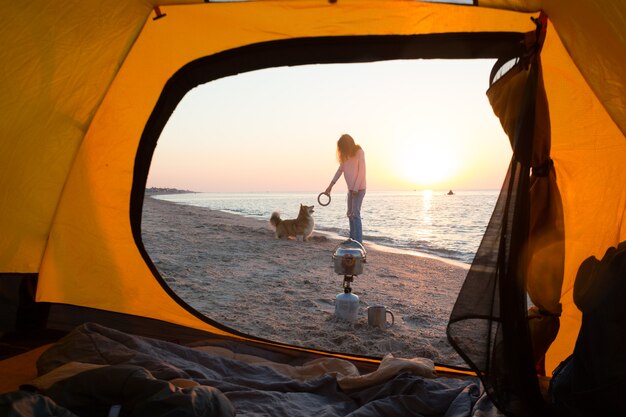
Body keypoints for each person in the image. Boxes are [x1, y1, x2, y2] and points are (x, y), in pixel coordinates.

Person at [324, 134, 366, 243]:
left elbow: (362, 172)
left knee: (355, 214)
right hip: (351, 190)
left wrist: (356, 188)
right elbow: (339, 171)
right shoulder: (345, 156)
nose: (341, 150)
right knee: (349, 214)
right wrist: (330, 186)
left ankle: (358, 241)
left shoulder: (359, 152)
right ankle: (352, 239)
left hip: (360, 189)